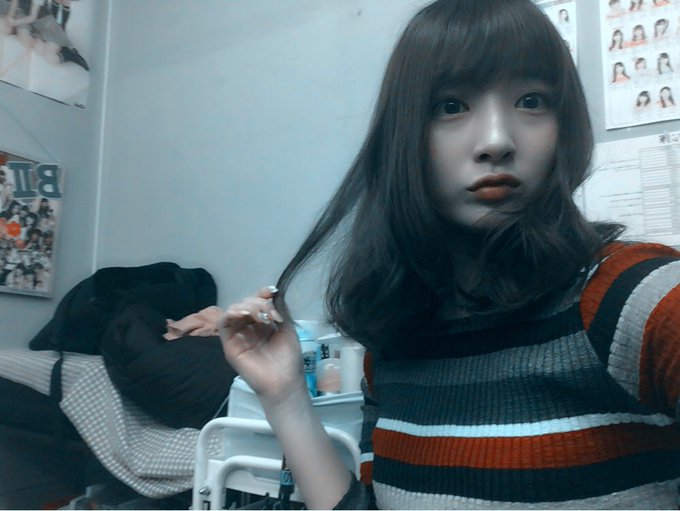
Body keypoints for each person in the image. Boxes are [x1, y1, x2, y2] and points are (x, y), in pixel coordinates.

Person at [218, 0, 680, 508]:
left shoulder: (635, 298)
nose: (497, 141)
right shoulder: (392, 346)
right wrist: (284, 395)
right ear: (403, 138)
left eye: (531, 100)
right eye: (451, 106)